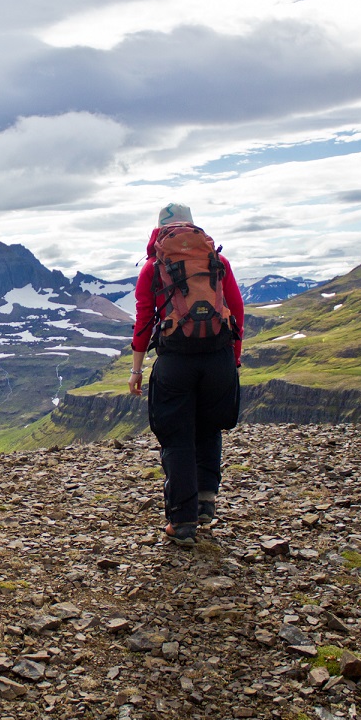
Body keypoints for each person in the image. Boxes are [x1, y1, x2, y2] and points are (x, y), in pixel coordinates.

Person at [128, 203, 244, 547]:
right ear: (192, 227)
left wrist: (136, 369)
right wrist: (233, 359)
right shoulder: (217, 262)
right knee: (209, 427)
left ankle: (182, 522)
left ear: (161, 230)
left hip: (176, 361)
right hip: (218, 357)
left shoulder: (153, 267)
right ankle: (206, 500)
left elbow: (144, 320)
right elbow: (236, 310)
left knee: (177, 438)